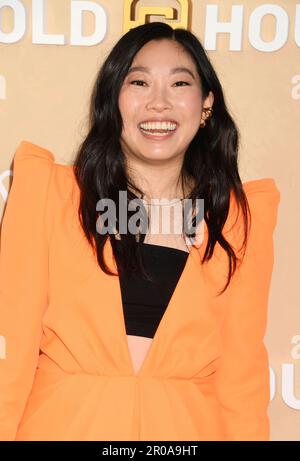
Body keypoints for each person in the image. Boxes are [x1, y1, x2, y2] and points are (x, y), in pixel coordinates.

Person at [0, 22, 280, 441]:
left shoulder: (236, 221)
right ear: (113, 101)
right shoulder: (51, 196)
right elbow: (9, 354)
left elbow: (241, 384)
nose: (159, 103)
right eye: (139, 82)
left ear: (206, 105)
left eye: (179, 83)